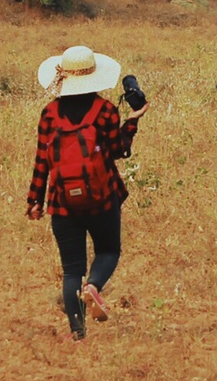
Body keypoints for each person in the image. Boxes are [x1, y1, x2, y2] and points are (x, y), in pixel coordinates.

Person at [26, 44, 147, 341]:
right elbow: (119, 150)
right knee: (108, 250)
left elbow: (43, 159)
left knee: (71, 270)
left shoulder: (50, 114)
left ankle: (77, 333)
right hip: (102, 196)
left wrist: (34, 201)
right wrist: (132, 120)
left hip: (62, 202)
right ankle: (93, 286)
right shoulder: (104, 110)